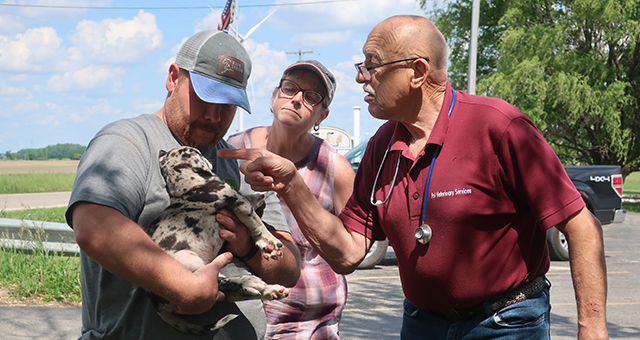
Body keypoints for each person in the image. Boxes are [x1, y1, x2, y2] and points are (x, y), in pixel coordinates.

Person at [219, 15, 609, 340]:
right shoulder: (381, 145)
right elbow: (350, 252)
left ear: (417, 72)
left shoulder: (499, 126)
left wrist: (592, 330)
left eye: (371, 65)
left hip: (505, 324)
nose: (360, 77)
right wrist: (291, 185)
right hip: (422, 323)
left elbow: (582, 227)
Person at [65, 30, 300, 340]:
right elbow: (93, 225)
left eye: (228, 104)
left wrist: (246, 245)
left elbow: (289, 267)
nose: (214, 115)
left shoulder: (235, 162)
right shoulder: (129, 141)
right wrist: (185, 287)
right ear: (173, 78)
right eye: (206, 96)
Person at [227, 60, 355, 339]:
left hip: (309, 325)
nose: (297, 99)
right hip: (238, 320)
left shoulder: (336, 169)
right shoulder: (230, 151)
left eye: (311, 97)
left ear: (322, 116)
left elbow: (351, 252)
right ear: (274, 97)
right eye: (290, 88)